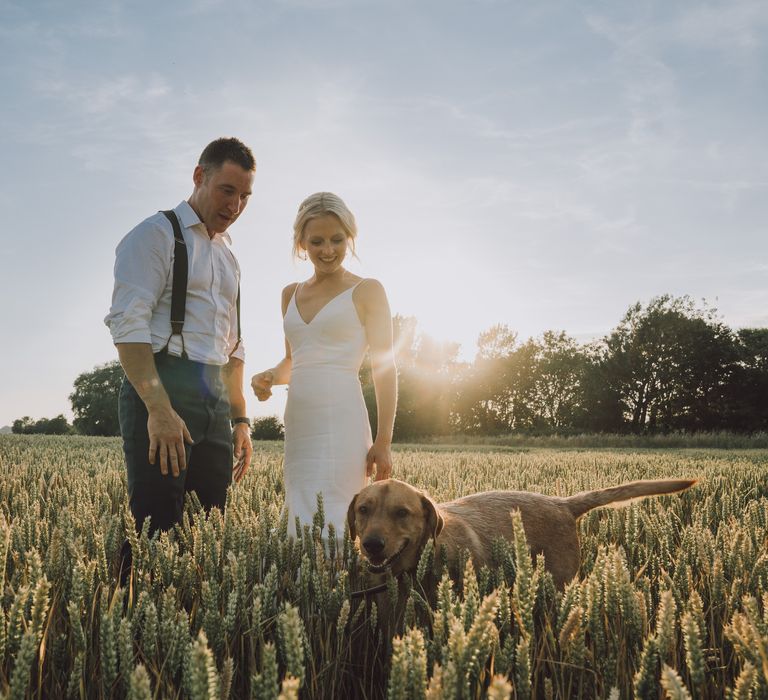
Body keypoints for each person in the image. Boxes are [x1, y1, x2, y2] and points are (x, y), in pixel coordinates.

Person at [105, 137, 255, 578]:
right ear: (199, 176)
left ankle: (193, 637)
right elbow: (128, 327)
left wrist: (240, 419)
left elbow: (234, 345)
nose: (236, 205)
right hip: (162, 385)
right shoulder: (154, 235)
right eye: (228, 190)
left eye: (245, 196)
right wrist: (158, 408)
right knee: (154, 526)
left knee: (209, 530)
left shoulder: (229, 256)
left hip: (213, 397)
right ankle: (135, 630)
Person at [251, 192, 397, 538]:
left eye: (337, 239)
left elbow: (385, 368)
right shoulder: (289, 293)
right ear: (301, 242)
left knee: (339, 508)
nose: (328, 250)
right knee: (301, 510)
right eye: (316, 241)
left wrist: (384, 440)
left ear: (350, 237)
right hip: (300, 422)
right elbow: (294, 360)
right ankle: (301, 590)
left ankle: (341, 588)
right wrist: (270, 376)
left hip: (342, 418)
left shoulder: (367, 290)